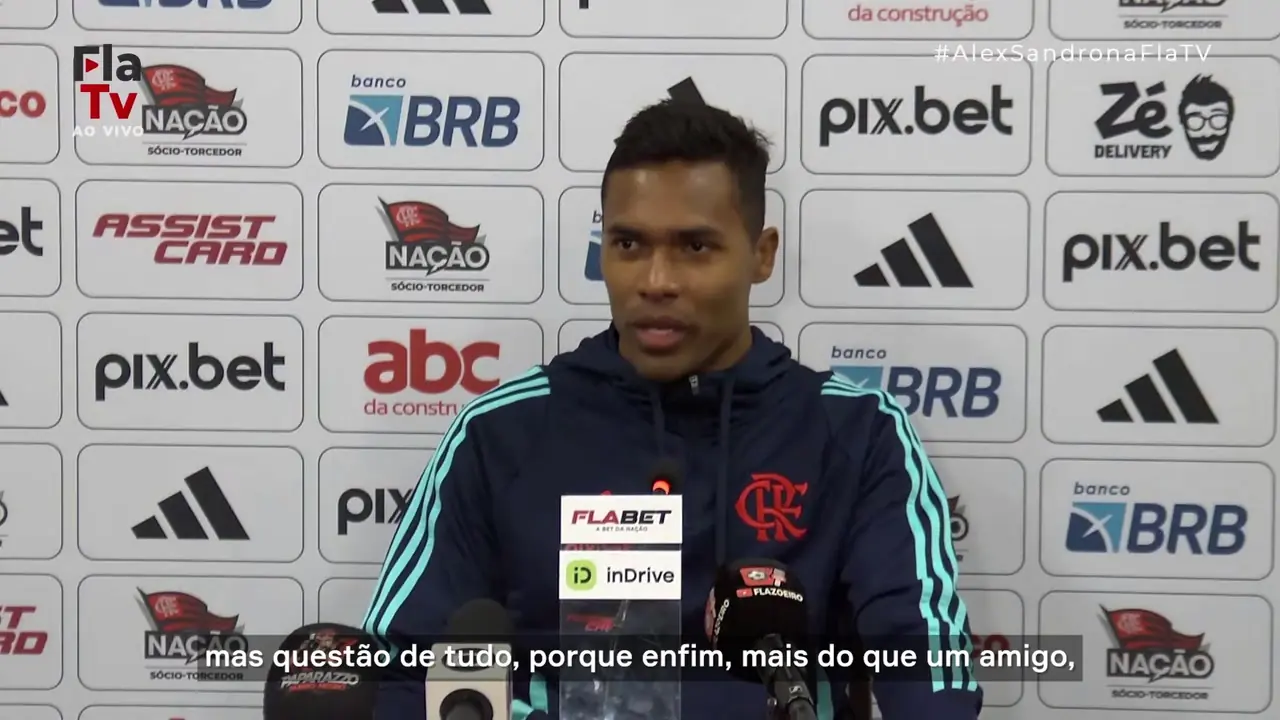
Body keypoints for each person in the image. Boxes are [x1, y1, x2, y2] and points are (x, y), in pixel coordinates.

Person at [361, 99, 983, 720]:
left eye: (695, 246)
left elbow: (930, 674)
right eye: (628, 243)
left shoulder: (856, 433)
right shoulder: (501, 432)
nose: (655, 280)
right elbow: (399, 672)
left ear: (761, 255)